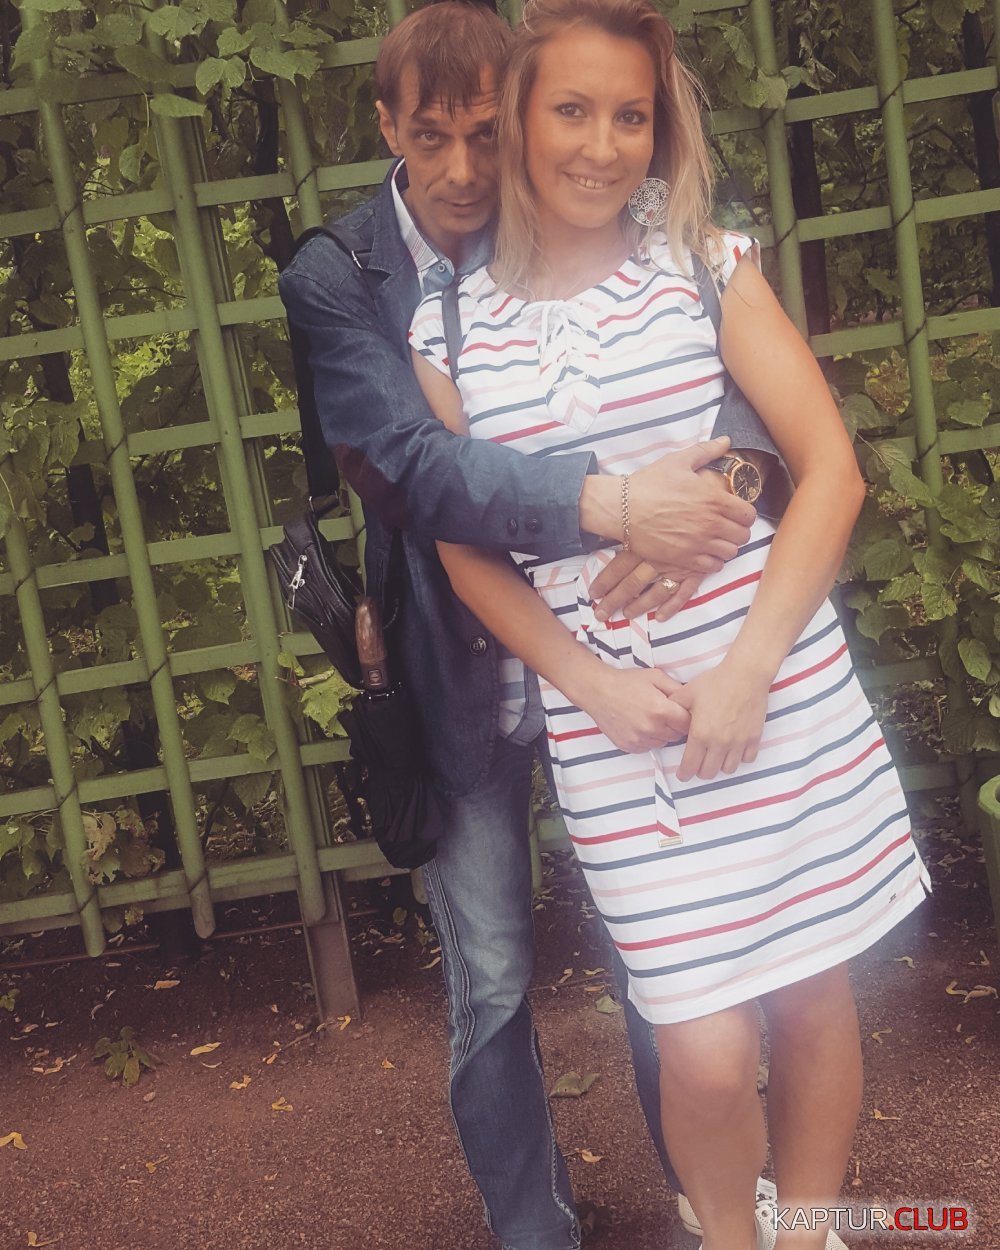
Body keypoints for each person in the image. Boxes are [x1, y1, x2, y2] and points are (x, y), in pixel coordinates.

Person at [407, 2, 931, 1249]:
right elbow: (464, 548)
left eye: (630, 115)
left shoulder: (701, 262)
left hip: (778, 686)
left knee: (810, 992)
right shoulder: (449, 329)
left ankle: (806, 1231)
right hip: (617, 728)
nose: (602, 145)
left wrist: (750, 667)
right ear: (518, 120)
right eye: (571, 111)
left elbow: (829, 469)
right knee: (700, 1047)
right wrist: (586, 682)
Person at [279, 5, 787, 1247]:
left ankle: (711, 1196)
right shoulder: (339, 276)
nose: (461, 171)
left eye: (482, 135)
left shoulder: (605, 221)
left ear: (512, 122)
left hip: (632, 649)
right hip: (456, 666)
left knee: (662, 952)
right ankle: (532, 1226)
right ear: (387, 127)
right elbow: (408, 470)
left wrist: (724, 488)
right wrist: (611, 503)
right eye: (430, 137)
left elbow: (735, 402)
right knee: (494, 972)